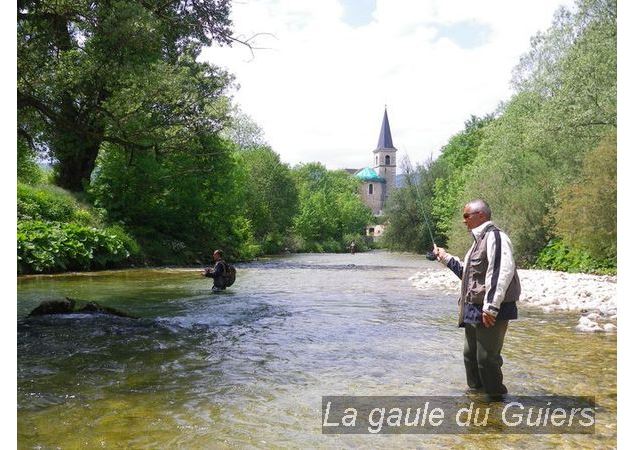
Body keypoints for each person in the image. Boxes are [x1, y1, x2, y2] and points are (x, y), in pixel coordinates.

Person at [433, 199, 521, 400]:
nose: (463, 221)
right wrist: (445, 257)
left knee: (486, 359)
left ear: (481, 215)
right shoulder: (476, 242)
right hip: (473, 310)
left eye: (466, 216)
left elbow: (501, 271)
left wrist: (491, 307)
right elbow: (468, 274)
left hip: (490, 310)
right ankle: (477, 399)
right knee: (470, 357)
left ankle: (497, 401)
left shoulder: (496, 237)